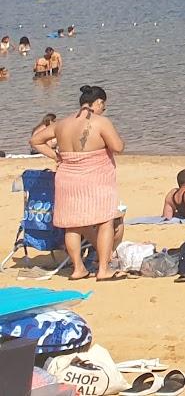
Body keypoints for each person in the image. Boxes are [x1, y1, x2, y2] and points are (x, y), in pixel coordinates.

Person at [35, 85, 123, 280]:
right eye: (103, 105)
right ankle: (103, 270)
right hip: (95, 177)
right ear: (98, 103)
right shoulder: (101, 122)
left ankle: (78, 269)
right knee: (105, 220)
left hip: (67, 177)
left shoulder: (63, 124)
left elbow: (35, 140)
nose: (103, 110)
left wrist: (56, 156)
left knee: (72, 225)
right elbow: (117, 146)